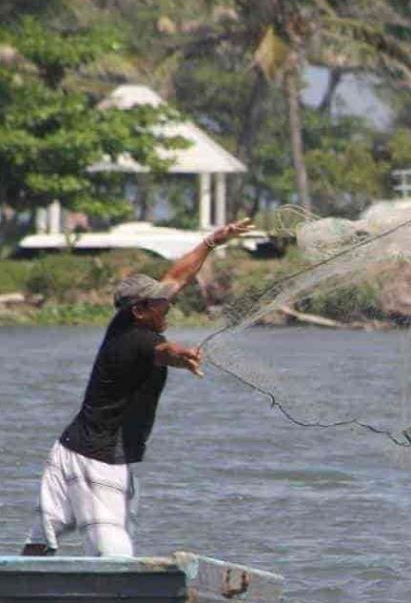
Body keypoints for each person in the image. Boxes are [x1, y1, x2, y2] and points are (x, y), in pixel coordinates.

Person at [20, 218, 254, 557]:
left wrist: (212, 240)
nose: (168, 303)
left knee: (40, 543)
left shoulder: (127, 320)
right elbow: (163, 352)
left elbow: (177, 277)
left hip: (70, 449)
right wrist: (183, 355)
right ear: (140, 310)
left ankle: (19, 600)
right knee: (116, 555)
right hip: (97, 461)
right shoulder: (136, 341)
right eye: (160, 301)